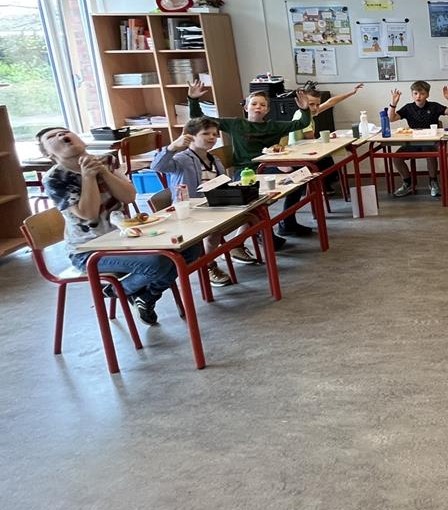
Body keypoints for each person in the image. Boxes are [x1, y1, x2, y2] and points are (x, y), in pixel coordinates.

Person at [38, 126, 201, 326]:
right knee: (159, 262)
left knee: (191, 248)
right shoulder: (55, 178)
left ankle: (145, 296)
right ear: (48, 154)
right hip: (88, 250)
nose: (61, 135)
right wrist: (88, 177)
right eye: (51, 137)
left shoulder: (107, 160)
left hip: (125, 237)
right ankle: (117, 291)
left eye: (64, 131)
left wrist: (103, 172)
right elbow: (88, 214)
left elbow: (128, 196)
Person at [188, 80, 314, 239]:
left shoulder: (274, 126)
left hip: (267, 168)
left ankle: (287, 221)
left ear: (267, 110)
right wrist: (193, 100)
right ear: (246, 107)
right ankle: (263, 233)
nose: (258, 107)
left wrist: (304, 109)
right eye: (254, 104)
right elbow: (199, 120)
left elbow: (302, 123)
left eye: (262, 105)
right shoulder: (235, 124)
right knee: (257, 194)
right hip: (244, 172)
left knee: (300, 175)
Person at [151, 116, 256, 285]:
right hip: (191, 211)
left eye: (214, 134)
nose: (212, 137)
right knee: (214, 230)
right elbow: (157, 166)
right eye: (206, 134)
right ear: (190, 136)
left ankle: (234, 247)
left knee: (254, 214)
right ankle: (208, 264)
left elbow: (223, 184)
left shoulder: (214, 159)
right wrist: (172, 147)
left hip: (214, 206)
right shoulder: (181, 159)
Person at [387, 80, 448, 198]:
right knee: (396, 158)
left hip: (430, 142)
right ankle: (407, 183)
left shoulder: (434, 106)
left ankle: (433, 182)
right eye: (415, 93)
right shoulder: (408, 108)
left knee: (430, 153)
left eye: (422, 93)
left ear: (427, 95)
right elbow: (391, 118)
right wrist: (393, 103)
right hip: (413, 142)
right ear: (412, 95)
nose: (418, 96)